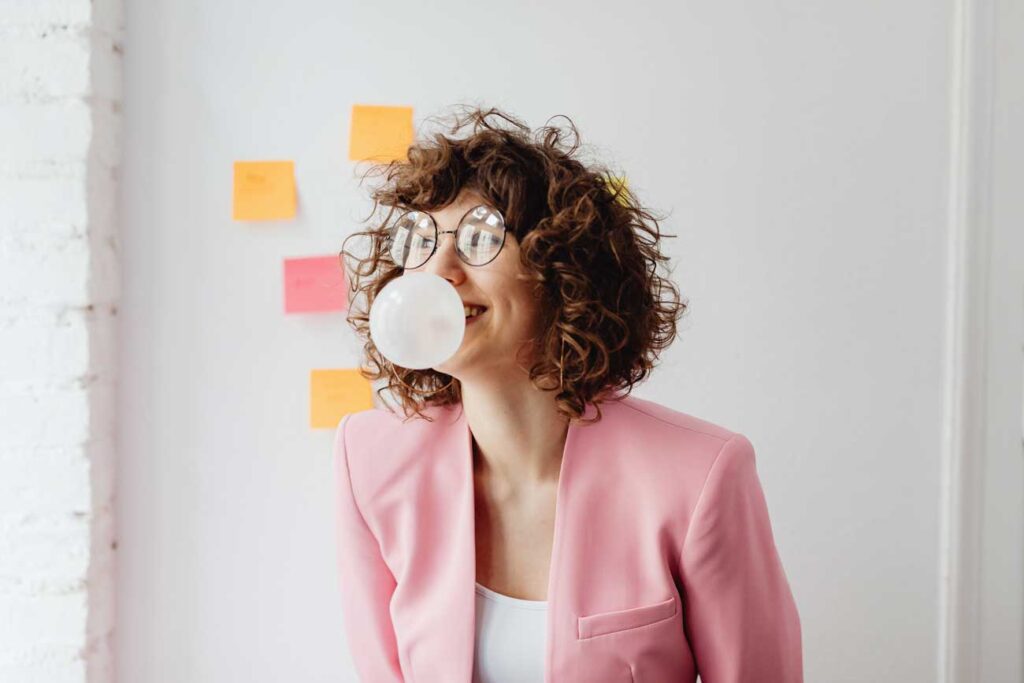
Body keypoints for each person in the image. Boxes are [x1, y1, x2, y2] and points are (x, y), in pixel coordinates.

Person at [334, 106, 803, 682]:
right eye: (422, 240)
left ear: (561, 270)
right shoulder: (371, 460)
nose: (440, 270)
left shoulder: (700, 475)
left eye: (481, 237)